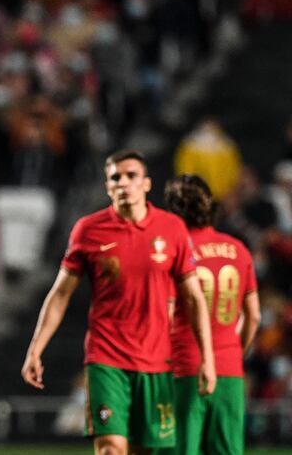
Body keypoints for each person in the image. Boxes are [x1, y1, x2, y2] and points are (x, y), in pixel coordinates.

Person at [20, 149, 217, 455]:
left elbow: (193, 298)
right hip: (106, 359)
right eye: (116, 177)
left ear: (147, 183)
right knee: (111, 448)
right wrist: (36, 348)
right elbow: (60, 294)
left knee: (143, 450)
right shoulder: (89, 230)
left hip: (156, 362)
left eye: (131, 176)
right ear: (107, 186)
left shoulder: (172, 229)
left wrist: (208, 358)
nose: (123, 182)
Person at [162, 174, 261, 455]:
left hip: (183, 367)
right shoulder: (238, 250)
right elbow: (253, 316)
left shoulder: (173, 251)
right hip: (229, 369)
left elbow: (165, 313)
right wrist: (234, 353)